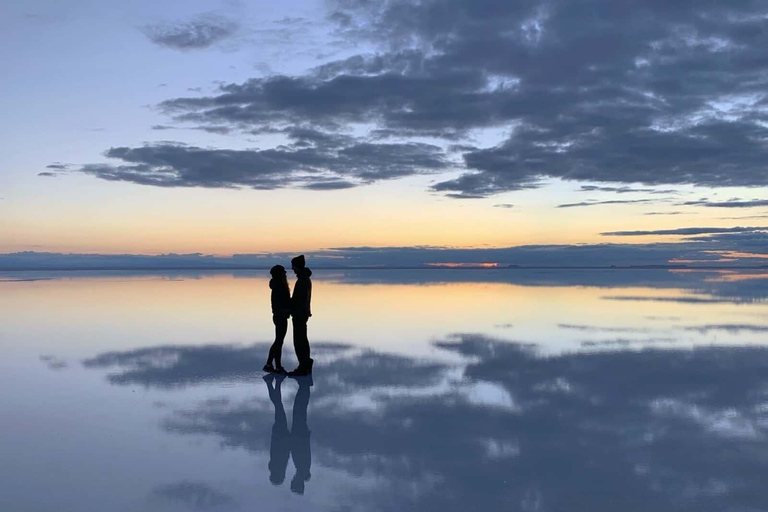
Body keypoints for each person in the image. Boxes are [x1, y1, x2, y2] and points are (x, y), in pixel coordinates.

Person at [264, 265, 291, 374]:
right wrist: (288, 309)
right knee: (279, 341)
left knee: (279, 341)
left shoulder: (278, 285)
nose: (285, 273)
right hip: (280, 316)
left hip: (279, 315)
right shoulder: (279, 286)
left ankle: (274, 365)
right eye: (283, 271)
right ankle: (272, 365)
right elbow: (279, 303)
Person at [289, 255, 313, 376]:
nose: (292, 268)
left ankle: (303, 366)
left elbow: (299, 299)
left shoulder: (302, 280)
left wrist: (289, 305)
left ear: (297, 266)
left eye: (293, 266)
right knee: (302, 339)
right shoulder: (304, 279)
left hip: (300, 314)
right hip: (303, 313)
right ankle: (306, 363)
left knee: (299, 341)